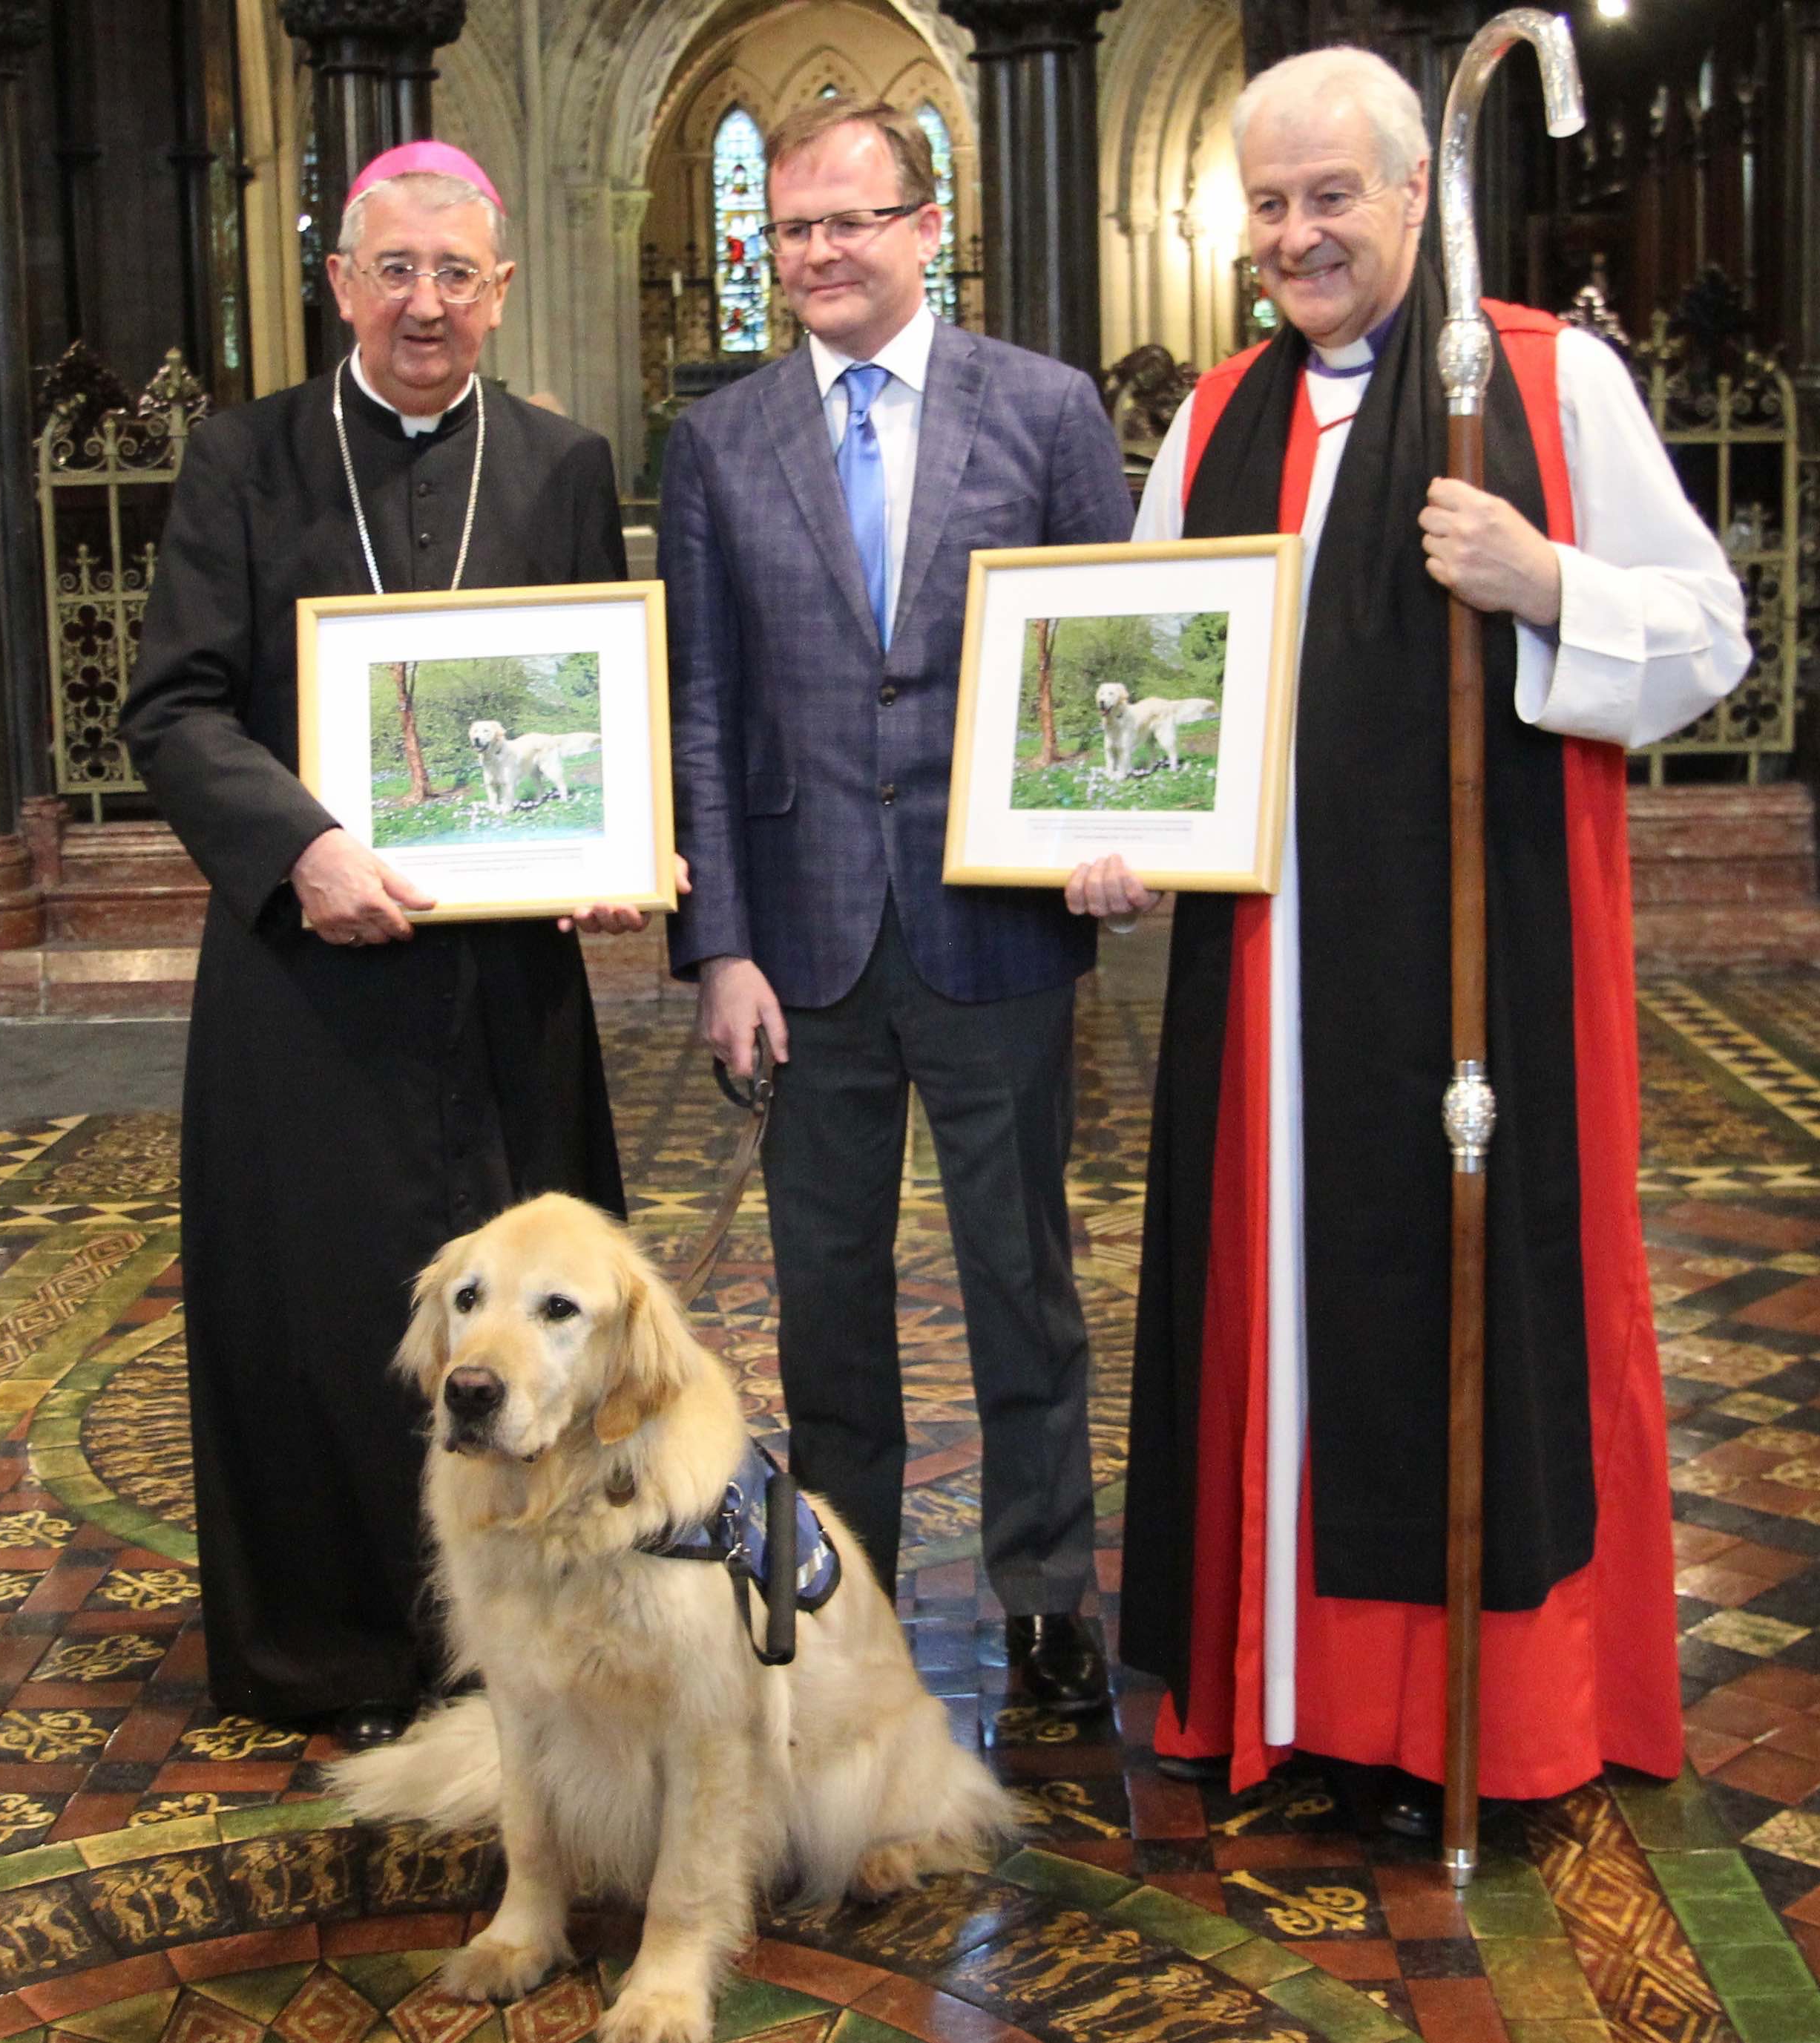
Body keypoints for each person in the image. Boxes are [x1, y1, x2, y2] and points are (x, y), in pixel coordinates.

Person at [1072, 47, 1750, 1831]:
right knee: (1273, 1321)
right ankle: (1277, 1698)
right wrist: (1112, 837)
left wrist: (1547, 585)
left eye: (1332, 197)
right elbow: (1156, 680)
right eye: (1270, 205)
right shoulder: (1214, 420)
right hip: (1260, 1003)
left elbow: (1706, 634)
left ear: (1413, 198)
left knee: (1455, 1307)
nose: (1299, 237)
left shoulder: (1543, 380)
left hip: (1471, 979)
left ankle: (1471, 1716)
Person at [124, 142, 652, 1750]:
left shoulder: (561, 464)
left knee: (536, 1316)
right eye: (394, 270)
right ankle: (338, 1651)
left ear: (499, 293)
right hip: (310, 980)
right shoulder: (244, 458)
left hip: (502, 987)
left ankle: (535, 1639)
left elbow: (592, 703)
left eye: (457, 274)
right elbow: (174, 705)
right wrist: (304, 850)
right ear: (339, 284)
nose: (426, 303)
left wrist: (605, 851)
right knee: (325, 1312)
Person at [660, 98, 1134, 1709]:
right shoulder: (721, 441)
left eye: (852, 221)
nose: (820, 253)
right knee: (826, 1295)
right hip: (802, 941)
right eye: (792, 230)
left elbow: (1106, 648)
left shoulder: (1049, 411)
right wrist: (718, 941)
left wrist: (1112, 830)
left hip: (994, 921)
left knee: (1022, 1277)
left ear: (928, 227)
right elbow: (705, 707)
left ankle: (1044, 1594)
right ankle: (845, 1598)